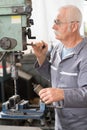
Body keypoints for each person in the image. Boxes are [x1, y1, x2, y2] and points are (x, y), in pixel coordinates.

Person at [32, 5, 87, 130]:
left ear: (74, 26)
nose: (53, 27)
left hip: (81, 124)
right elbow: (55, 77)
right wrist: (41, 57)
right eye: (54, 22)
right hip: (60, 121)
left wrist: (62, 94)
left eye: (58, 22)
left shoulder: (85, 55)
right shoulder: (58, 48)